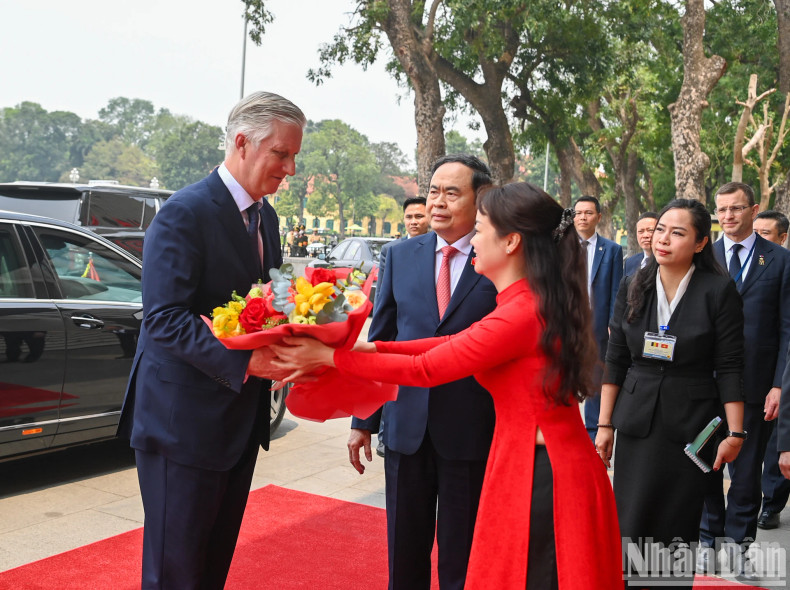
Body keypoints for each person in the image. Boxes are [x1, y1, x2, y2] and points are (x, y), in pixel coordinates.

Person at [270, 182, 623, 589]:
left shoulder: (524, 311)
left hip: (543, 473)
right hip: (530, 459)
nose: (473, 239)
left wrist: (329, 358)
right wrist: (364, 347)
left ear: (510, 242)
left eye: (481, 228)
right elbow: (449, 344)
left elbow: (427, 369)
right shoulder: (524, 301)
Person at [117, 91, 306, 590]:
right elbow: (163, 319)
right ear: (242, 142)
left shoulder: (266, 217)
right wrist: (247, 365)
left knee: (210, 567)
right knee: (175, 572)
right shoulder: (185, 212)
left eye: (294, 157)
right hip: (182, 424)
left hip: (237, 424)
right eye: (281, 154)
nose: (288, 168)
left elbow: (265, 304)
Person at [347, 154, 498, 590]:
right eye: (434, 191)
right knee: (403, 551)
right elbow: (383, 336)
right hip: (406, 425)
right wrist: (363, 421)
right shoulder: (398, 255)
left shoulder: (496, 256)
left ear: (480, 197)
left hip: (470, 427)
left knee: (462, 555)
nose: (438, 202)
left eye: (452, 192)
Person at [596, 198, 746, 589]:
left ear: (700, 243)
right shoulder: (634, 283)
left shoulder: (718, 289)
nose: (663, 239)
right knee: (630, 519)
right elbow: (615, 358)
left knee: (676, 527)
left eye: (677, 233)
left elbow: (730, 364)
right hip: (637, 418)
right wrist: (604, 423)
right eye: (661, 229)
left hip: (691, 427)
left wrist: (735, 432)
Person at [699, 184, 790, 579]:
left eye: (737, 209)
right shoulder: (703, 256)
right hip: (703, 385)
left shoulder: (780, 261)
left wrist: (779, 385)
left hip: (756, 387)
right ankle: (707, 542)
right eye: (721, 210)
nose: (729, 216)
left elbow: (787, 330)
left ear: (754, 210)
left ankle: (739, 548)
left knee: (747, 473)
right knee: (704, 465)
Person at [374, 196, 430, 457]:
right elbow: (385, 303)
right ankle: (385, 437)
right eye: (409, 217)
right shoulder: (394, 252)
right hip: (399, 338)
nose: (413, 222)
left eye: (419, 216)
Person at [573, 195, 623, 442]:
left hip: (598, 325)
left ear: (599, 217)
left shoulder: (612, 250)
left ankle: (594, 432)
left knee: (595, 378)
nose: (583, 217)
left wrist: (614, 323)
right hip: (568, 323)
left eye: (588, 213)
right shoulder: (560, 246)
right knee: (566, 374)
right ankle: (568, 429)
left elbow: (616, 290)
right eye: (578, 212)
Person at [756, 210, 790, 530]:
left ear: (782, 238)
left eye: (766, 233)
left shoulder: (783, 265)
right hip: (748, 365)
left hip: (781, 365)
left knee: (777, 439)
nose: (758, 237)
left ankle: (772, 503)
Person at [624, 212, 657, 276]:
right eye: (640, 231)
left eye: (650, 230)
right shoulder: (630, 263)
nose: (645, 235)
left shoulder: (666, 262)